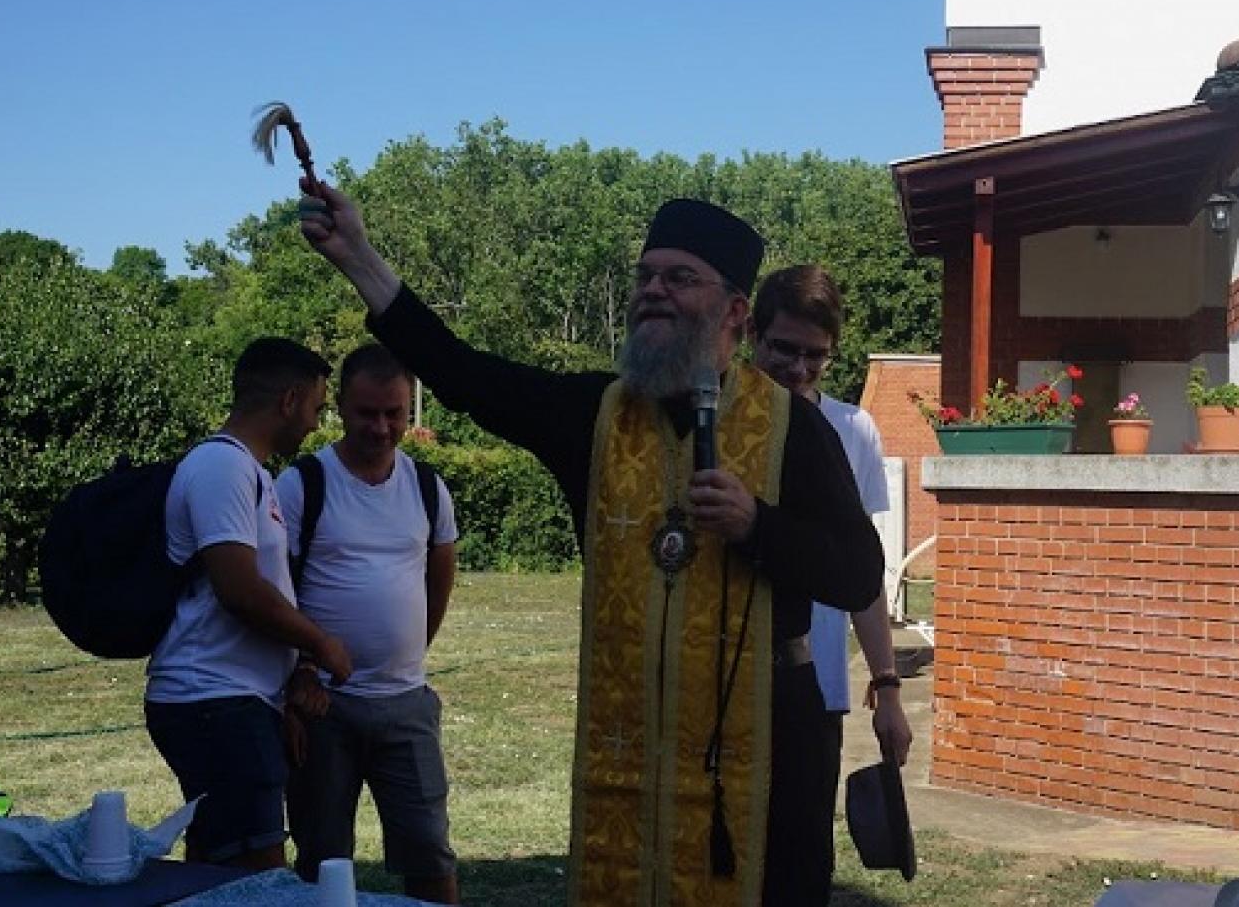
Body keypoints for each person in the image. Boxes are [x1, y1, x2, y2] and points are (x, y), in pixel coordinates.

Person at [299, 184, 883, 906]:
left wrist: (759, 525)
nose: (653, 291)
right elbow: (463, 372)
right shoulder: (595, 414)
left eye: (679, 277)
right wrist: (358, 257)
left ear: (735, 311)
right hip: (631, 738)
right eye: (645, 276)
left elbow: (860, 573)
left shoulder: (794, 427)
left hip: (768, 740)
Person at [144, 337, 353, 871]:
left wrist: (283, 689)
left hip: (235, 702)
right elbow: (239, 590)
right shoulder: (222, 467)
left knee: (216, 867)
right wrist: (320, 643)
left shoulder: (249, 472)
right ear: (288, 401)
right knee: (258, 875)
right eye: (315, 408)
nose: (315, 424)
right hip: (213, 701)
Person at [277, 344, 461, 904]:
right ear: (340, 407)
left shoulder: (427, 487)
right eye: (367, 413)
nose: (381, 428)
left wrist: (405, 652)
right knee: (323, 862)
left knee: (429, 855)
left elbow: (439, 582)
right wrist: (300, 677)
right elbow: (276, 593)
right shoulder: (303, 483)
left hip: (407, 705)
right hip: (324, 709)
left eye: (393, 414)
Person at [750, 265, 912, 899]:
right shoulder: (718, 422)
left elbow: (862, 574)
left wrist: (887, 688)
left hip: (815, 687)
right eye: (783, 349)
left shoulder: (853, 429)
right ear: (752, 335)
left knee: (800, 861)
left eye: (815, 356)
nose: (798, 369)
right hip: (726, 679)